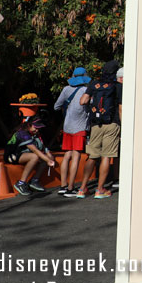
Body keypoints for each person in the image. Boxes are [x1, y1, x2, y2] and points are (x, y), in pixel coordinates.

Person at [75, 60, 122, 199]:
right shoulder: (117, 86)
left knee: (92, 156)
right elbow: (120, 108)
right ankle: (100, 189)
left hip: (96, 124)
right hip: (112, 123)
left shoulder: (93, 84)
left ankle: (82, 189)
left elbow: (82, 101)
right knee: (106, 156)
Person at [54, 66, 91, 197]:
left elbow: (56, 106)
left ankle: (63, 186)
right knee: (76, 156)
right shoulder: (86, 90)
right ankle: (71, 188)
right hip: (79, 127)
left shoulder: (66, 89)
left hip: (67, 127)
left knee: (67, 155)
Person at [4, 116, 56, 195]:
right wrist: (48, 160)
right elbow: (34, 150)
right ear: (29, 125)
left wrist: (49, 158)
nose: (37, 130)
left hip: (24, 154)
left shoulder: (36, 134)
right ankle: (21, 183)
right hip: (12, 155)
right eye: (36, 127)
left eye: (39, 128)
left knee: (44, 158)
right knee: (35, 157)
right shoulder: (22, 133)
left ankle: (34, 181)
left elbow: (45, 148)